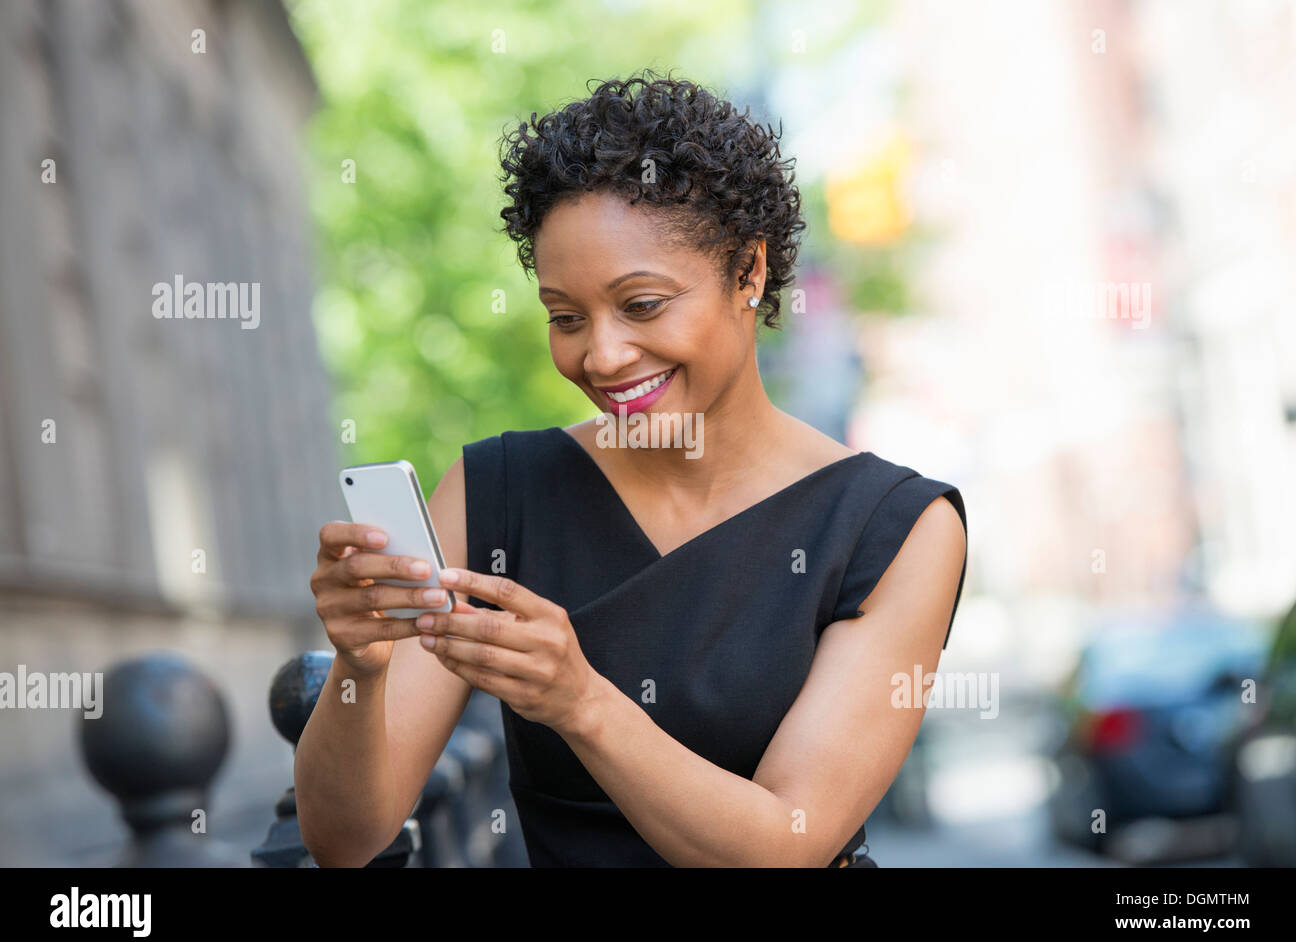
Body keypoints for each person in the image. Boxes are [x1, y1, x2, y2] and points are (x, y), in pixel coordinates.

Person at [297, 69, 968, 868]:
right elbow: (344, 839)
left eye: (642, 305)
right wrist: (359, 670)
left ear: (748, 272)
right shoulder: (497, 493)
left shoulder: (893, 527)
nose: (603, 355)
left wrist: (581, 702)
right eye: (566, 317)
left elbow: (786, 844)